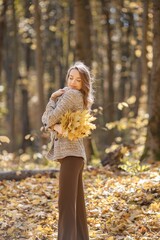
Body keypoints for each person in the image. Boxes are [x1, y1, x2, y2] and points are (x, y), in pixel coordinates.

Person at [41, 61, 94, 240]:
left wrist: (52, 99)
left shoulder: (70, 95)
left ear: (84, 83)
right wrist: (55, 126)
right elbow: (49, 121)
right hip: (76, 156)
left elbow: (48, 119)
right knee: (77, 206)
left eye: (78, 80)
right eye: (70, 78)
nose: (72, 82)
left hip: (71, 156)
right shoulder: (80, 97)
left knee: (66, 205)